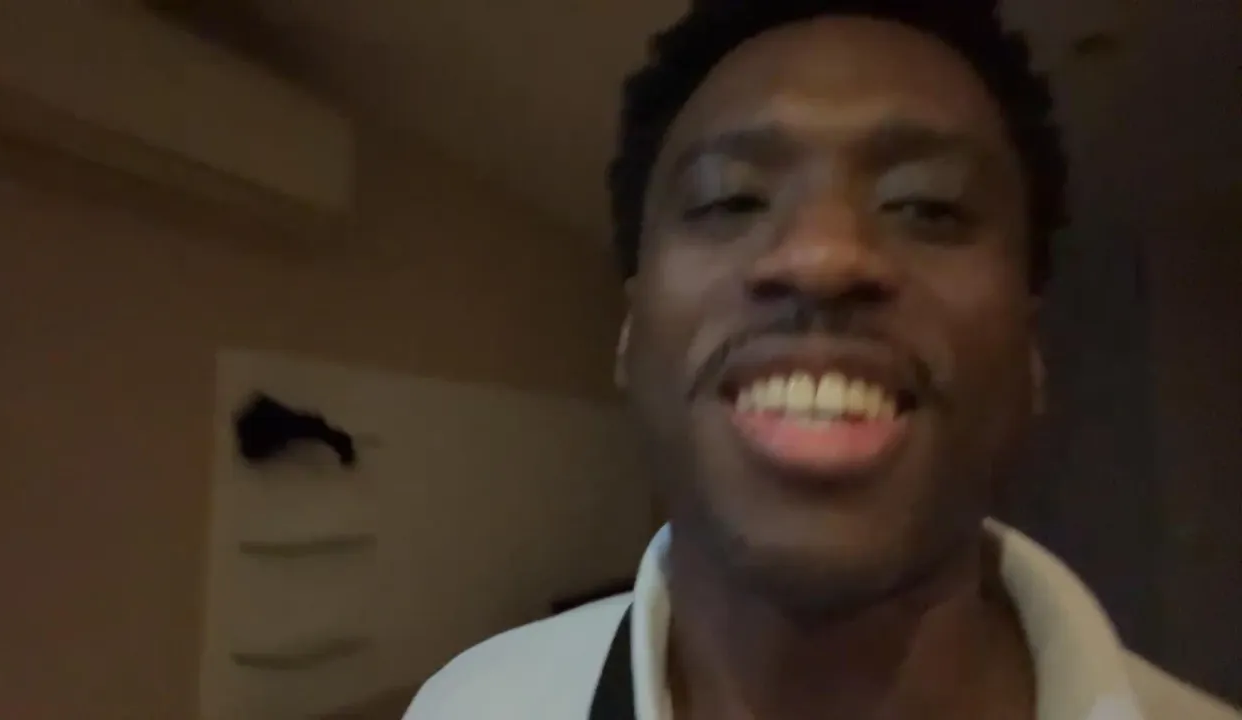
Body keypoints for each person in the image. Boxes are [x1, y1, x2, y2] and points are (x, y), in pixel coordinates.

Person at [404, 1, 1241, 718]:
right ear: (630, 333)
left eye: (928, 205)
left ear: (1030, 351)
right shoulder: (469, 705)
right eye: (730, 199)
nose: (822, 256)